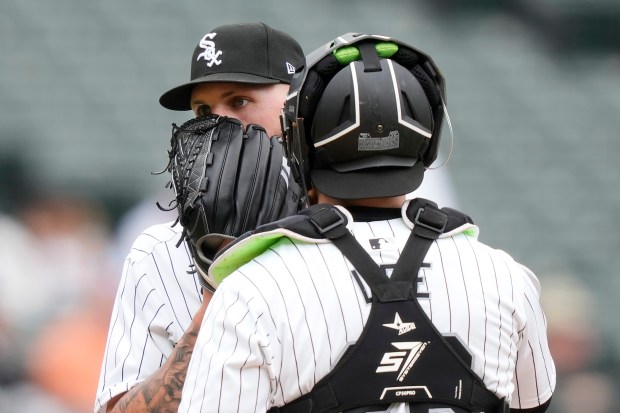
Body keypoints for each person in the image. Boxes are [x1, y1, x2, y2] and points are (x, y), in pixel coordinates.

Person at [179, 33, 556, 413]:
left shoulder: (251, 290)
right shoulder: (506, 277)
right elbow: (532, 403)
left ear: (298, 145)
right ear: (426, 141)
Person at [94, 22, 305, 413]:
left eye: (239, 101)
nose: (217, 125)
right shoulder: (157, 254)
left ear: (297, 107)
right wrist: (215, 290)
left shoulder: (344, 232)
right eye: (203, 110)